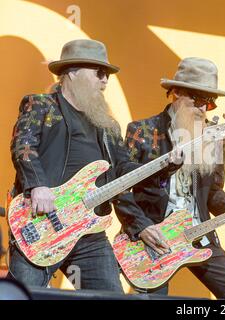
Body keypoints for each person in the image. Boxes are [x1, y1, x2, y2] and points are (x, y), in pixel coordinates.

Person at [8, 39, 177, 292]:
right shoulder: (41, 106)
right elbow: (23, 146)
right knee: (21, 296)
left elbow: (123, 174)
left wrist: (163, 165)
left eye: (107, 75)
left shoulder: (108, 127)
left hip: (89, 232)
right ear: (72, 73)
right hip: (43, 221)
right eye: (99, 73)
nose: (105, 81)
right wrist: (38, 185)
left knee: (111, 297)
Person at [116, 57, 225, 299]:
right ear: (176, 93)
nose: (203, 108)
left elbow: (213, 192)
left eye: (210, 103)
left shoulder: (213, 137)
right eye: (198, 99)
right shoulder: (142, 131)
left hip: (200, 234)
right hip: (155, 237)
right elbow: (121, 189)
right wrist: (142, 228)